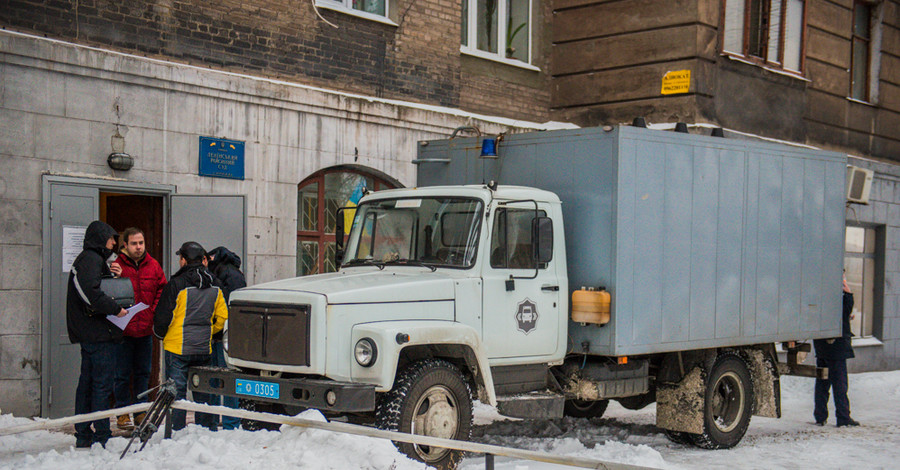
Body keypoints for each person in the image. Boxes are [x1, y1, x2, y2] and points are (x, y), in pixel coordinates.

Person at [153, 241, 228, 431]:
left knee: (176, 393)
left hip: (177, 347)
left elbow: (163, 318)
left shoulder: (176, 284)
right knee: (203, 392)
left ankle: (176, 430)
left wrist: (161, 334)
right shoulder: (215, 283)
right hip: (203, 347)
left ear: (184, 260)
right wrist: (209, 332)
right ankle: (205, 429)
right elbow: (223, 317)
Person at [66, 220, 128, 448]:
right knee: (101, 385)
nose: (114, 243)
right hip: (98, 335)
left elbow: (96, 289)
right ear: (102, 238)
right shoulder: (91, 259)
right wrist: (117, 309)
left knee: (88, 384)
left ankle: (84, 433)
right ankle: (101, 435)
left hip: (92, 333)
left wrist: (113, 277)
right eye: (112, 238)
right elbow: (91, 293)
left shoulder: (92, 260)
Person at [111, 227, 167, 431]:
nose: (138, 247)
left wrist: (153, 311)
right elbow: (107, 290)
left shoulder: (153, 265)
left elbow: (162, 288)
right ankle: (123, 412)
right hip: (123, 331)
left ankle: (141, 410)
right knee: (122, 374)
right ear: (125, 245)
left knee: (143, 373)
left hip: (145, 329)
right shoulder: (116, 265)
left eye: (141, 243)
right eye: (134, 243)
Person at [206, 246, 247, 430]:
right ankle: (224, 421)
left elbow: (230, 306)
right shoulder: (231, 272)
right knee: (221, 379)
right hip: (223, 335)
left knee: (224, 380)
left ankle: (228, 422)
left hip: (223, 336)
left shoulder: (226, 274)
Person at [813, 274, 860, 427]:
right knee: (840, 383)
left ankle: (820, 416)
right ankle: (843, 417)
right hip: (837, 347)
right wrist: (848, 291)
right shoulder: (838, 293)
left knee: (822, 382)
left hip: (822, 345)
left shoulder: (820, 293)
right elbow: (846, 307)